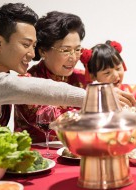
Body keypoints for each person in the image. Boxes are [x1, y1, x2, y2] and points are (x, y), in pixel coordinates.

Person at [0, 3, 136, 142]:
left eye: (33, 46)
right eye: (26, 45)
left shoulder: (2, 74)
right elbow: (25, 89)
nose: (32, 54)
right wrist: (96, 97)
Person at [14, 11, 88, 142]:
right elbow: (56, 122)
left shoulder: (82, 78)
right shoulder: (27, 81)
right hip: (37, 157)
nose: (73, 58)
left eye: (77, 49)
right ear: (43, 51)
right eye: (65, 50)